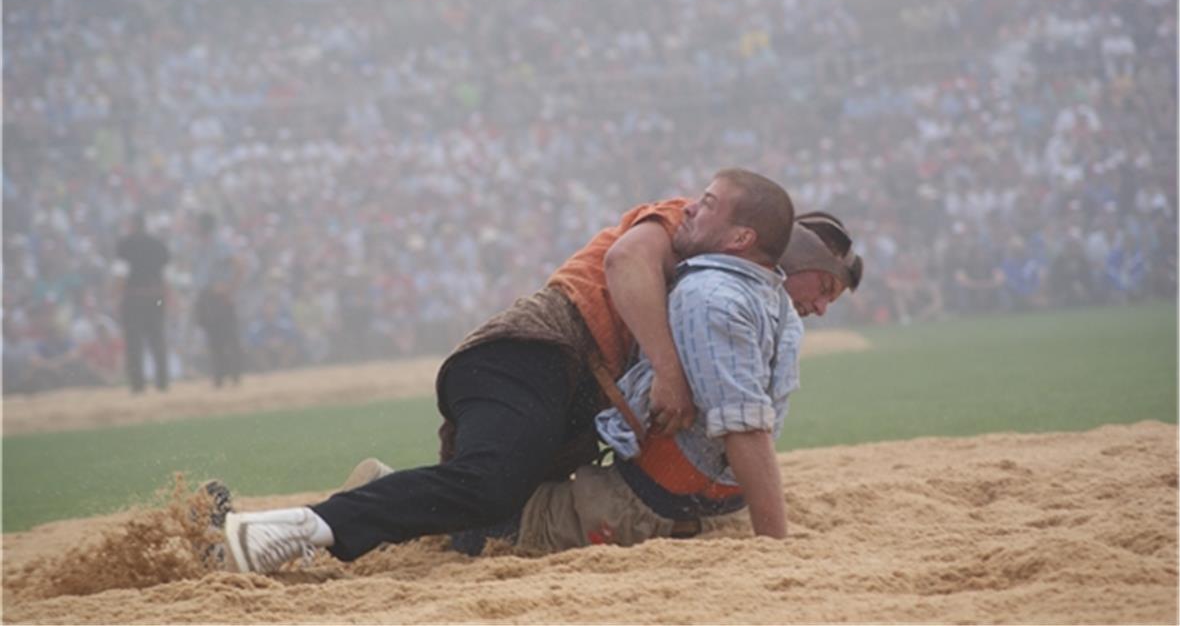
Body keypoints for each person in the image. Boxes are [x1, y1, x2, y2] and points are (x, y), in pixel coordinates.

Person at [222, 168, 797, 572]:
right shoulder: (674, 221)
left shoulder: (723, 275)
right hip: (532, 353)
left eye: (710, 202)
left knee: (495, 514)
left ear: (744, 238)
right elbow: (625, 260)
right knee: (489, 485)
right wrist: (668, 372)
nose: (694, 204)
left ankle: (364, 497)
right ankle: (291, 529)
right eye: (703, 197)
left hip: (567, 390)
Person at [344, 212, 863, 556]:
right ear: (786, 258)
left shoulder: (749, 303)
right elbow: (744, 425)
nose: (820, 307)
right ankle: (377, 496)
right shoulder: (713, 288)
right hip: (545, 362)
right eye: (823, 288)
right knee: (507, 515)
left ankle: (403, 492)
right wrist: (776, 545)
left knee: (506, 487)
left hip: (592, 401)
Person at [114, 212, 171, 393]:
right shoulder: (158, 245)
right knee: (157, 340)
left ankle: (138, 385)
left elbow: (121, 274)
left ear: (133, 225)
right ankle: (162, 382)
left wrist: (116, 296)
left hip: (134, 297)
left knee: (134, 344)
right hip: (155, 297)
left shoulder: (125, 245)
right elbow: (166, 274)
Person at [192, 211, 244, 388]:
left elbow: (238, 263)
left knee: (228, 337)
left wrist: (230, 288)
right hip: (207, 296)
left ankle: (235, 376)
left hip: (219, 296)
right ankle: (219, 377)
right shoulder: (201, 245)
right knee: (213, 339)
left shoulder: (219, 243)